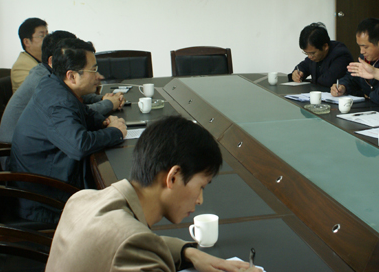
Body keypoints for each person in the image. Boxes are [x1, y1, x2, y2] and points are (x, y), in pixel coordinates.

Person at [45, 116, 260, 272]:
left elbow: (129, 241)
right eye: (201, 186)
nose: (200, 200)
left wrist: (190, 252)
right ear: (173, 177)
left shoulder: (81, 199)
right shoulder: (132, 247)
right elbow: (131, 244)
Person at [8, 38, 127, 223]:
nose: (99, 76)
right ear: (72, 76)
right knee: (118, 204)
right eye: (93, 70)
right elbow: (79, 145)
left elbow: (83, 113)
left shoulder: (53, 84)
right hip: (44, 200)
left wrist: (103, 122)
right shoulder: (57, 102)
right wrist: (115, 132)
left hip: (52, 181)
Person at [0, 31, 125, 145]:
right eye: (93, 70)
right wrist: (113, 124)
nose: (98, 76)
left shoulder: (54, 80)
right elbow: (78, 141)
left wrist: (102, 118)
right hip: (17, 152)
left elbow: (79, 109)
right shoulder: (48, 88)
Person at [288, 22, 353, 87]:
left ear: (325, 47)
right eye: (306, 53)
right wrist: (297, 73)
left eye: (312, 53)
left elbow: (327, 81)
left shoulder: (341, 54)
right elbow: (304, 66)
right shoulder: (315, 55)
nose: (309, 56)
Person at [11, 17, 48, 92]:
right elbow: (41, 92)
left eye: (47, 34)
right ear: (27, 42)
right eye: (41, 36)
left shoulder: (46, 59)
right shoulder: (21, 67)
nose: (47, 39)